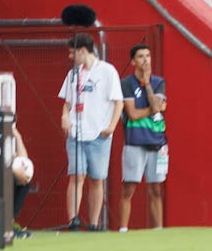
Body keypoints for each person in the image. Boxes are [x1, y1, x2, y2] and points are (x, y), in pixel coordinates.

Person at [58, 32, 123, 232]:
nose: (70, 57)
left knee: (96, 178)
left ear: (83, 51)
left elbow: (118, 102)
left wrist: (111, 127)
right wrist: (65, 117)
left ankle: (94, 223)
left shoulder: (107, 71)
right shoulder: (73, 74)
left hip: (99, 133)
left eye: (72, 53)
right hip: (77, 132)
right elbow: (67, 101)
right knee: (76, 175)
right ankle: (73, 220)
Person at [117, 43, 167, 232]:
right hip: (135, 141)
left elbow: (157, 105)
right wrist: (153, 108)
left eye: (148, 55)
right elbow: (133, 114)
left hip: (157, 142)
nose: (145, 59)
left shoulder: (158, 82)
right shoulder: (126, 83)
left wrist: (147, 85)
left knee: (155, 189)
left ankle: (158, 230)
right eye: (140, 56)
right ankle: (123, 230)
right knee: (129, 188)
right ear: (133, 61)